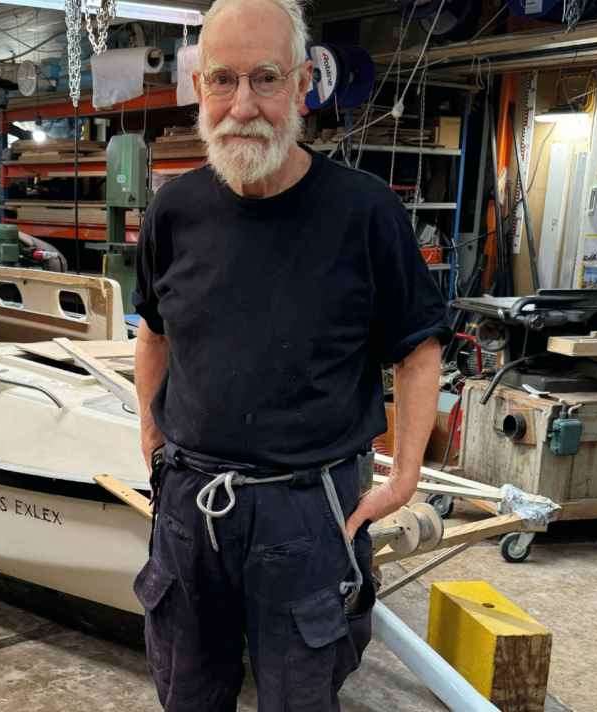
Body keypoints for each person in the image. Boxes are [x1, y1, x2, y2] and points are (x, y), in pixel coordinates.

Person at [130, 0, 449, 709]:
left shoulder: (363, 213)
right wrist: (151, 442)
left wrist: (405, 480)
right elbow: (151, 333)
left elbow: (420, 349)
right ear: (200, 88)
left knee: (301, 699)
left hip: (308, 515)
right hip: (188, 509)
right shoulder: (173, 211)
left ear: (303, 84)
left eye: (265, 79)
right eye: (222, 80)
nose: (242, 105)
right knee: (186, 695)